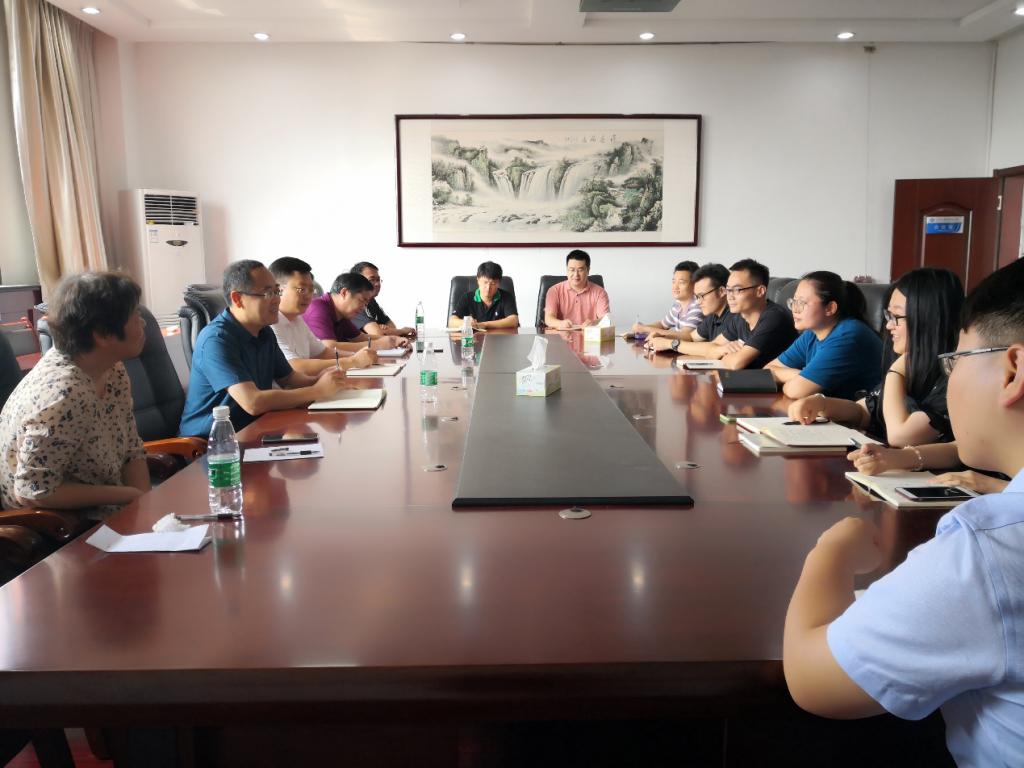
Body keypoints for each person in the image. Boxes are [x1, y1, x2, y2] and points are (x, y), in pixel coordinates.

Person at [783, 257, 1024, 766]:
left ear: (1013, 370)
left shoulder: (989, 552)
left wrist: (831, 552)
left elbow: (812, 680)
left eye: (956, 360)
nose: (948, 374)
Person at [0, 272, 149, 515]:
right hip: (56, 526)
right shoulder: (64, 393)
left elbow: (131, 448)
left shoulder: (112, 369)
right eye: (135, 316)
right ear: (102, 335)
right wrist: (129, 496)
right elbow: (31, 490)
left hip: (109, 512)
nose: (142, 323)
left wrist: (147, 506)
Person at [789, 268, 963, 447]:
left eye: (897, 317)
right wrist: (822, 404)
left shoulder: (953, 378)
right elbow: (862, 412)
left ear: (929, 319)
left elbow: (899, 437)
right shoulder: (914, 365)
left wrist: (895, 372)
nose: (888, 326)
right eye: (889, 316)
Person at [178, 260, 348, 437]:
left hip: (255, 429)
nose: (277, 300)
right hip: (212, 443)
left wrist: (321, 379)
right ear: (238, 299)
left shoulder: (264, 331)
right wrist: (317, 390)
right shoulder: (217, 339)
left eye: (276, 291)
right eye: (268, 293)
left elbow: (289, 379)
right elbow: (252, 402)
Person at [765, 271, 882, 399]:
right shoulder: (812, 333)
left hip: (862, 411)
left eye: (802, 303)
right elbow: (767, 371)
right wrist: (802, 375)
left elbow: (796, 391)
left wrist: (801, 379)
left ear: (830, 308)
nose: (794, 309)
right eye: (794, 301)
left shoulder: (848, 335)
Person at [269, 257, 377, 375]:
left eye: (311, 290)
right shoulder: (270, 324)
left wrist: (358, 356)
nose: (309, 296)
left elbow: (322, 352)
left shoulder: (297, 320)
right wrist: (352, 361)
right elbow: (294, 366)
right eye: (302, 289)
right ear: (277, 289)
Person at [303, 272, 409, 351]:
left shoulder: (341, 313)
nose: (363, 307)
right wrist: (377, 344)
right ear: (344, 293)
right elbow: (329, 346)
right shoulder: (317, 308)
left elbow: (360, 338)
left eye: (366, 303)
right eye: (362, 300)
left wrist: (393, 339)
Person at [645, 263, 731, 354]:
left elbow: (713, 349)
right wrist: (663, 337)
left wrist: (669, 343)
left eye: (702, 296)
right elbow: (691, 337)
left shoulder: (734, 318)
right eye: (697, 297)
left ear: (722, 291)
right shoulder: (712, 316)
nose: (699, 302)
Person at [632, 260, 702, 340]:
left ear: (695, 284)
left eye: (681, 282)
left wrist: (646, 329)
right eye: (673, 281)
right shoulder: (678, 304)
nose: (675, 287)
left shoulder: (698, 306)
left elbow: (686, 336)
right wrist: (640, 328)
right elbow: (662, 325)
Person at [543, 249, 611, 330]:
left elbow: (606, 319)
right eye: (572, 270)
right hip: (561, 336)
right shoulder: (554, 291)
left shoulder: (600, 292)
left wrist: (594, 323)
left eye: (580, 270)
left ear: (588, 270)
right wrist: (560, 323)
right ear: (567, 270)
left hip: (588, 335)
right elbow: (548, 318)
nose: (576, 275)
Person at [350, 261, 415, 339]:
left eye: (378, 280)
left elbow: (392, 326)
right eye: (372, 280)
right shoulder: (354, 304)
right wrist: (402, 330)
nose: (377, 284)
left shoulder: (371, 301)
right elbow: (377, 334)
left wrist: (383, 329)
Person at [448, 261, 519, 330]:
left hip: (499, 337)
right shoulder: (467, 297)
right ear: (478, 280)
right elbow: (451, 322)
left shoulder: (506, 297)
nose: (488, 288)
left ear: (499, 283)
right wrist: (466, 323)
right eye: (485, 282)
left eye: (493, 283)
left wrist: (485, 325)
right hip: (473, 337)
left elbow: (514, 320)